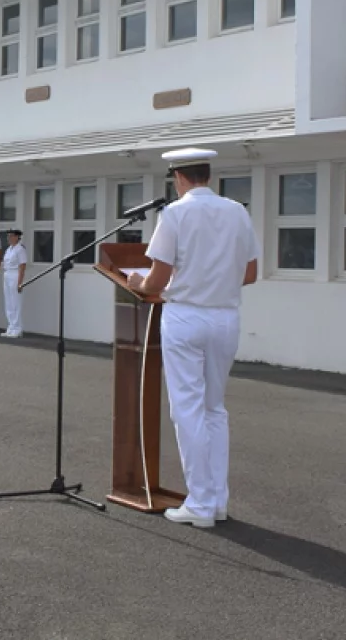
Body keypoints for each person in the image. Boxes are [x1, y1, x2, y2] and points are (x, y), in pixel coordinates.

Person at [125, 147, 259, 529]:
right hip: (225, 318)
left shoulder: (175, 214)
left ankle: (200, 504)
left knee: (187, 409)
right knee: (214, 409)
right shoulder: (237, 211)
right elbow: (249, 274)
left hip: (185, 317)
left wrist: (139, 282)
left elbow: (158, 278)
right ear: (208, 176)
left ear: (179, 178)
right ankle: (216, 501)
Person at [1, 229, 28, 338]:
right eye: (8, 236)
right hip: (7, 274)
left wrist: (20, 282)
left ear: (17, 237)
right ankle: (11, 327)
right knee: (8, 302)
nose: (9, 238)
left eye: (11, 236)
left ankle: (17, 328)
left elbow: (22, 266)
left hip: (15, 275)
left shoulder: (20, 249)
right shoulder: (9, 249)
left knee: (15, 302)